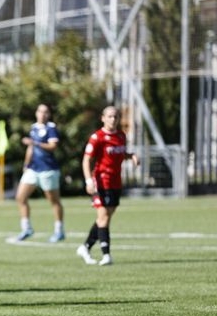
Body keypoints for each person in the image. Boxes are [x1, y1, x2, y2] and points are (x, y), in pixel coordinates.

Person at [76, 106, 140, 266]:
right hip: (101, 181)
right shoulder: (97, 137)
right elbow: (86, 160)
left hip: (115, 181)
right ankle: (106, 255)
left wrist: (131, 156)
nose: (113, 119)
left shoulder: (121, 136)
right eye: (110, 116)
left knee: (104, 217)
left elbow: (120, 154)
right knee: (103, 216)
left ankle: (85, 247)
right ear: (103, 118)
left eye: (116, 116)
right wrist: (88, 180)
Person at [11, 103, 65, 243]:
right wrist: (26, 164)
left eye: (46, 112)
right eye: (40, 111)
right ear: (36, 113)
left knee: (54, 201)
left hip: (48, 170)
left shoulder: (51, 128)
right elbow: (30, 148)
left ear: (49, 114)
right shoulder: (34, 127)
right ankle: (26, 229)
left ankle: (59, 231)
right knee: (20, 197)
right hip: (33, 169)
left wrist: (35, 143)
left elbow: (53, 146)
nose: (43, 114)